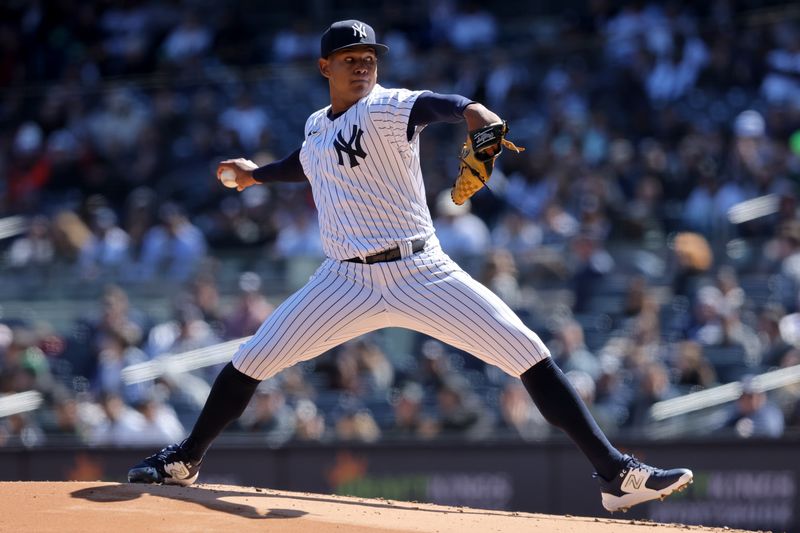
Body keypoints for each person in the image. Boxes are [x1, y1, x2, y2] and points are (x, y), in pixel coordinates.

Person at [128, 19, 692, 513]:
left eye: (369, 59)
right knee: (250, 359)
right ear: (324, 66)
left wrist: (473, 111)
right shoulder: (316, 125)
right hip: (343, 280)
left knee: (529, 353)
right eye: (350, 60)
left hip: (422, 271)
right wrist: (256, 175)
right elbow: (307, 164)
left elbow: (432, 106)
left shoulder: (384, 106)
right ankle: (185, 459)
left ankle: (617, 476)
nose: (362, 67)